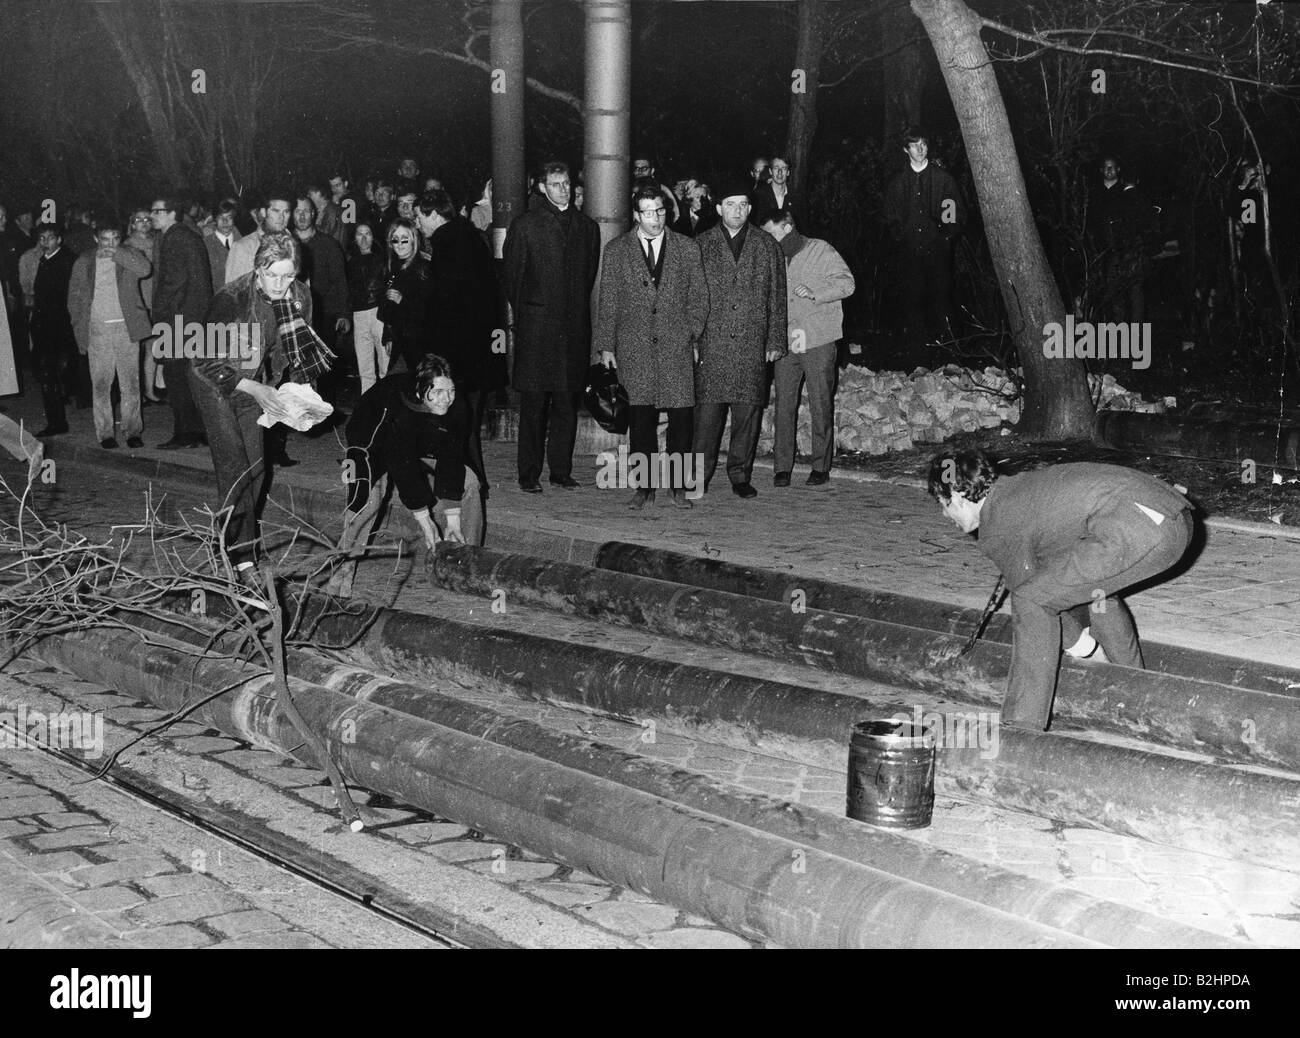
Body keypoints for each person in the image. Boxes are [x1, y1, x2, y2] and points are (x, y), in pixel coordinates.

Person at [927, 449, 1193, 731]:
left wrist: (1086, 649)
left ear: (955, 496)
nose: (945, 515)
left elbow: (1032, 597)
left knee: (1031, 600)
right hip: (1174, 519)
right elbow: (1063, 584)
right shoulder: (1018, 489)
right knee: (1094, 591)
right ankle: (1136, 689)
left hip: (1138, 529)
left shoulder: (1000, 524)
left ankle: (1023, 726)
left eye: (943, 505)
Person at [191, 231, 334, 584]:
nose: (279, 284)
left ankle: (228, 543)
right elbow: (203, 359)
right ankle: (240, 557)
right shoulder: (231, 299)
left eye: (287, 276)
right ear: (257, 269)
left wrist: (299, 394)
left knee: (256, 470)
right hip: (217, 383)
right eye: (271, 275)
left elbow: (296, 348)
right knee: (235, 468)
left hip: (256, 384)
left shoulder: (300, 295)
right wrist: (257, 388)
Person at [329, 354, 483, 597]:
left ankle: (465, 563)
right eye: (439, 392)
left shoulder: (457, 405)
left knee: (469, 482)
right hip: (373, 441)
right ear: (422, 391)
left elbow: (452, 455)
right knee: (367, 502)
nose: (447, 399)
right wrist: (424, 518)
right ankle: (343, 567)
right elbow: (401, 463)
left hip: (422, 444)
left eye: (451, 391)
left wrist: (453, 518)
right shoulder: (398, 401)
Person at [595, 183, 709, 510]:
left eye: (659, 211)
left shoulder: (687, 249)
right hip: (635, 348)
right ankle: (644, 488)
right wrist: (606, 345)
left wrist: (690, 332)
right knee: (641, 422)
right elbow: (609, 302)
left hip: (676, 347)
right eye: (647, 212)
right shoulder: (616, 251)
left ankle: (678, 487)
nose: (655, 218)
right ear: (636, 214)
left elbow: (700, 298)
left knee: (681, 422)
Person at [501, 160, 601, 493]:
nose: (563, 189)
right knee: (533, 406)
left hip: (572, 329)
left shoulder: (587, 228)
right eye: (556, 184)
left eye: (567, 183)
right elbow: (513, 280)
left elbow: (587, 278)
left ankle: (561, 470)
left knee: (566, 404)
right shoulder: (525, 225)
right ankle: (528, 474)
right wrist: (531, 315)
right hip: (537, 331)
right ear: (542, 187)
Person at [693, 180, 787, 498]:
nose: (738, 211)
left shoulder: (767, 246)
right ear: (719, 208)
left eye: (744, 205)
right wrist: (692, 340)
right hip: (712, 343)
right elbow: (689, 298)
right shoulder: (701, 245)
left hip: (751, 343)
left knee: (747, 414)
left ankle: (739, 474)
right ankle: (697, 476)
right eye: (731, 204)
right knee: (707, 417)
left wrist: (775, 340)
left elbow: (778, 297)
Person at [760, 207, 855, 487]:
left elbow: (847, 283)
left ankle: (820, 465)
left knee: (820, 403)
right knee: (783, 405)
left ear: (787, 226)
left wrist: (817, 294)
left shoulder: (821, 250)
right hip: (786, 343)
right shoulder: (773, 258)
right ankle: (782, 467)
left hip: (817, 340)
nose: (767, 239)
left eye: (771, 233)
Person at [419, 189, 506, 495]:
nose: (418, 225)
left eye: (420, 216)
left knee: (458, 423)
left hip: (458, 356)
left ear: (432, 214)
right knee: (465, 421)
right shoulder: (470, 238)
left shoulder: (446, 245)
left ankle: (470, 483)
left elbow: (446, 307)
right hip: (478, 352)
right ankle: (471, 480)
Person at [67, 222, 152, 448]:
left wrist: (119, 253)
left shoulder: (130, 254)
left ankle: (132, 430)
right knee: (101, 384)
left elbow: (145, 270)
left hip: (126, 328)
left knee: (131, 383)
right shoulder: (84, 261)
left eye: (115, 238)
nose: (110, 244)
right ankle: (105, 434)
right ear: (96, 239)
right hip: (97, 330)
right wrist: (80, 332)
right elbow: (74, 300)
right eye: (105, 239)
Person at [883, 127, 965, 347]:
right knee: (913, 302)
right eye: (914, 145)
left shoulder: (943, 180)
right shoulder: (898, 184)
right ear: (905, 149)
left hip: (938, 252)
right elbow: (890, 217)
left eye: (923, 144)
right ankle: (918, 359)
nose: (920, 149)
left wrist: (943, 239)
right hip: (910, 252)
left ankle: (952, 358)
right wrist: (902, 238)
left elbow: (954, 216)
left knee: (943, 300)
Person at [151, 194, 212, 449]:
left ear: (171, 213)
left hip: (179, 320)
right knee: (190, 377)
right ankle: (198, 431)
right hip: (194, 318)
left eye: (156, 211)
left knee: (175, 377)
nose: (152, 216)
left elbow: (174, 282)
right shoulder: (187, 235)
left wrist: (159, 313)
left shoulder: (174, 237)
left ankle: (184, 433)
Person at [1087, 156, 1158, 323]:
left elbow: (1143, 217)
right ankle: (1117, 333)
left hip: (1129, 249)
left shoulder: (1128, 191)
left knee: (1135, 291)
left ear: (1118, 169)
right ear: (1101, 170)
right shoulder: (1094, 194)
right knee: (1112, 292)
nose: (1109, 170)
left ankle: (1137, 334)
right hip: (1105, 250)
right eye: (1106, 167)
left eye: (1112, 167)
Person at [29, 224, 79, 437]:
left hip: (59, 327)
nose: (45, 242)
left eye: (49, 238)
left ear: (59, 239)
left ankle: (57, 422)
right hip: (45, 328)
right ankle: (56, 421)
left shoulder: (66, 261)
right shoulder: (45, 260)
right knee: (47, 375)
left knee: (51, 375)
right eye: (41, 238)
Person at [378, 218, 432, 375]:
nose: (399, 245)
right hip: (400, 340)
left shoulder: (423, 267)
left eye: (404, 240)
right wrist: (388, 336)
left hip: (420, 342)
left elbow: (429, 308)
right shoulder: (393, 267)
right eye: (395, 240)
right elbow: (387, 308)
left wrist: (403, 300)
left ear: (414, 241)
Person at [347, 220, 388, 394]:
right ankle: (368, 405)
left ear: (374, 237)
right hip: (359, 315)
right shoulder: (349, 263)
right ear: (354, 239)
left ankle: (388, 403)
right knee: (364, 366)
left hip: (379, 313)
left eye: (368, 233)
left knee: (385, 362)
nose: (363, 238)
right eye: (359, 234)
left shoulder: (383, 260)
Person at [226, 191, 293, 285]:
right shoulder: (243, 247)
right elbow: (232, 292)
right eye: (276, 211)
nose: (281, 217)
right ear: (263, 212)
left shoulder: (295, 246)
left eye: (286, 212)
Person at [203, 199, 243, 295]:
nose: (225, 222)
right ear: (215, 219)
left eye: (229, 217)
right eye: (221, 217)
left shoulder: (243, 242)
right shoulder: (206, 244)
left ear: (234, 219)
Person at [632, 154, 680, 223]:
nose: (640, 172)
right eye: (636, 169)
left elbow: (675, 215)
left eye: (644, 168)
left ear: (652, 171)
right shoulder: (629, 191)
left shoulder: (663, 190)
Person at [751, 156, 795, 223]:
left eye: (784, 168)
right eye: (776, 168)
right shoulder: (758, 196)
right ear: (770, 171)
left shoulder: (797, 196)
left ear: (788, 172)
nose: (779, 172)